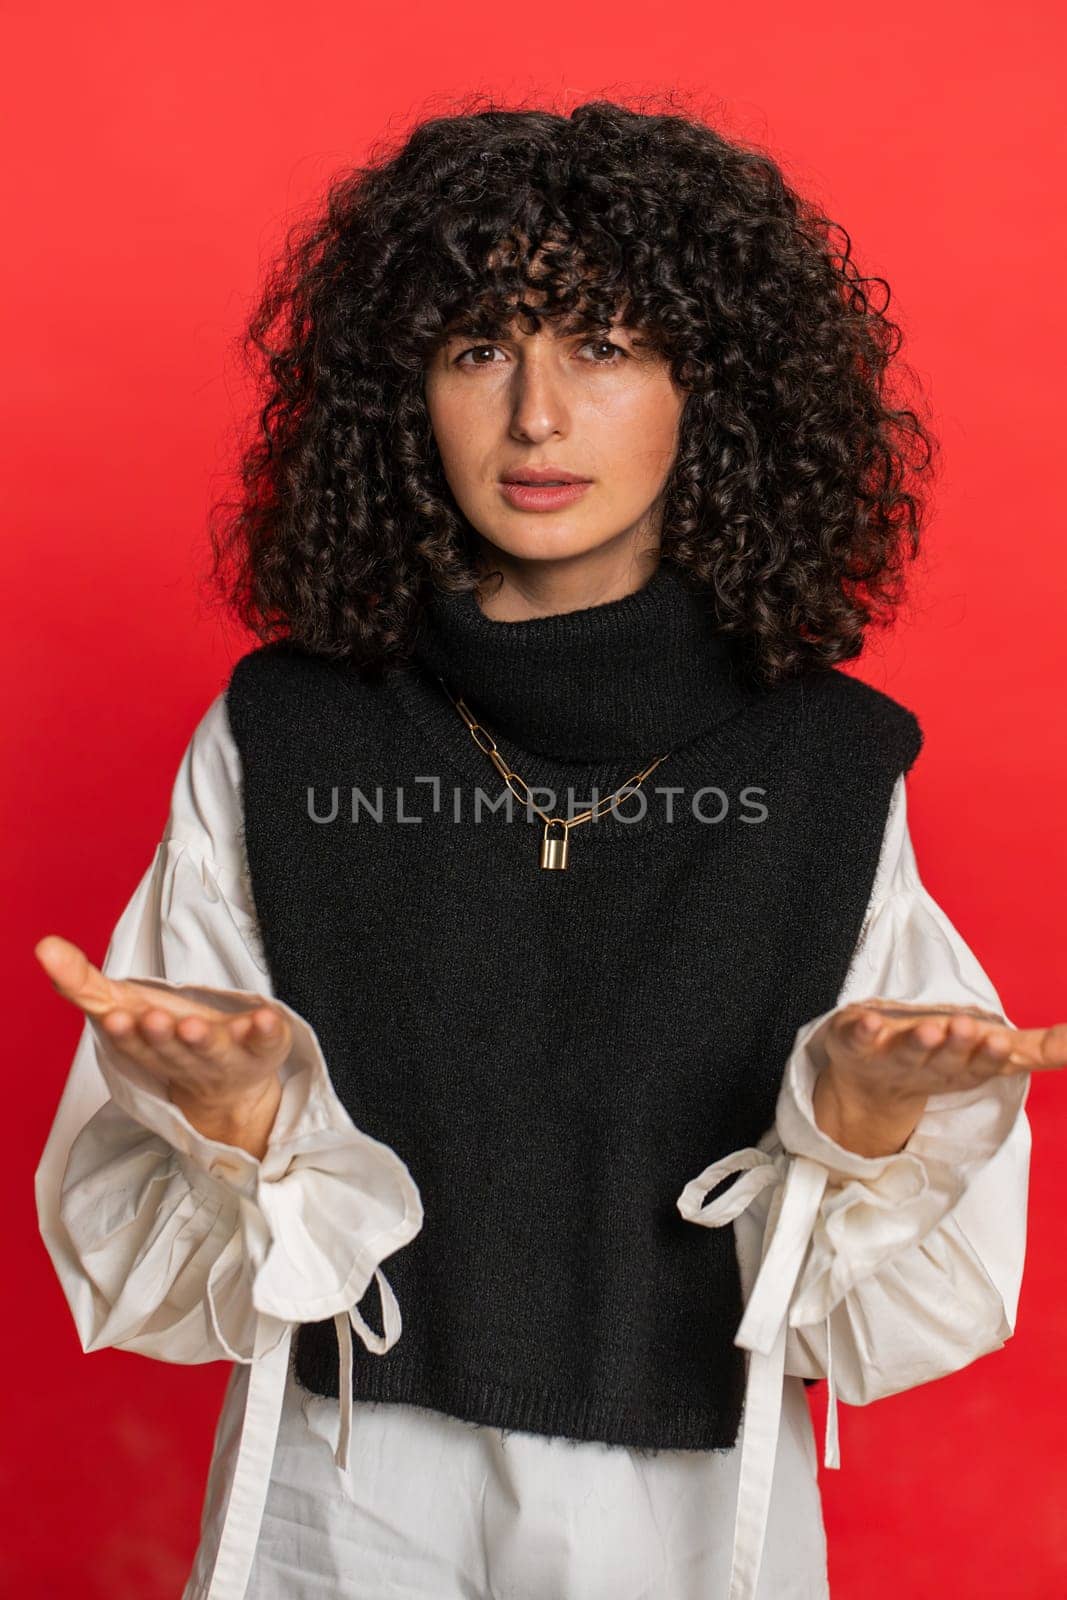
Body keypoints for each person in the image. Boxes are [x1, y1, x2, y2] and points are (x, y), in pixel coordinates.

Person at [33, 99, 1065, 1600]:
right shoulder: (287, 733)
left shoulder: (831, 763)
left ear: (711, 388)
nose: (534, 416)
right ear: (403, 396)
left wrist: (861, 1128)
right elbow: (151, 1245)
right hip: (344, 1494)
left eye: (600, 345)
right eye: (477, 349)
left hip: (697, 1516)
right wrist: (241, 1121)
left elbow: (907, 1305)